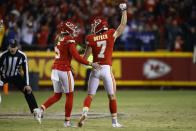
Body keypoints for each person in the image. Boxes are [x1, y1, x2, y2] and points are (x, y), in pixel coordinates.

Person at [33, 20, 101, 127]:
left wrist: (69, 65)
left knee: (57, 95)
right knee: (70, 95)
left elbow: (65, 55)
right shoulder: (69, 39)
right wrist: (91, 64)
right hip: (64, 70)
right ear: (68, 30)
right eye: (73, 29)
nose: (74, 31)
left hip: (55, 69)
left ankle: (40, 110)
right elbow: (77, 57)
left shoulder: (58, 38)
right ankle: (67, 121)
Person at [78, 3, 127, 128]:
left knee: (90, 95)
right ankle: (114, 123)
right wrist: (124, 10)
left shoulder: (91, 38)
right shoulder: (111, 34)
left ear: (97, 27)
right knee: (111, 96)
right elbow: (122, 25)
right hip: (106, 69)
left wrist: (89, 64)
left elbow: (84, 59)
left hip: (95, 69)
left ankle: (84, 113)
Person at [0, 39, 38, 113]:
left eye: (14, 47)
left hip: (15, 76)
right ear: (9, 47)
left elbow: (25, 70)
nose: (12, 49)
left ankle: (35, 111)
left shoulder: (22, 56)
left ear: (17, 47)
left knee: (28, 90)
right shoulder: (3, 55)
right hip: (4, 76)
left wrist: (27, 84)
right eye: (11, 47)